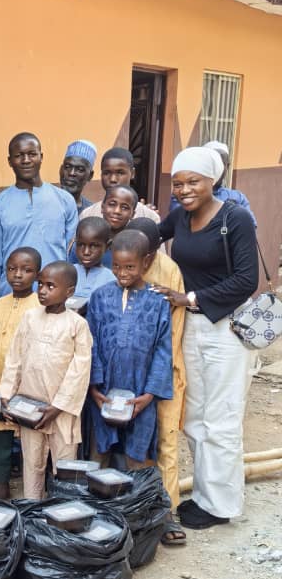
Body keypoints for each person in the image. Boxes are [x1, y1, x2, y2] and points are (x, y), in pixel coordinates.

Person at [156, 146, 258, 529]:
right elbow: (152, 235)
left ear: (212, 180)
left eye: (193, 181)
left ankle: (222, 504)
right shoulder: (180, 217)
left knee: (223, 418)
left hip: (226, 329)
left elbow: (246, 280)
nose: (184, 190)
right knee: (196, 416)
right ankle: (203, 495)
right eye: (178, 183)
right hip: (191, 327)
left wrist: (191, 297)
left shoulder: (236, 218)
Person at [0, 262, 92, 499]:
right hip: (30, 408)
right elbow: (15, 357)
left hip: (61, 411)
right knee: (32, 463)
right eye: (41, 284)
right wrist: (6, 396)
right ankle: (33, 511)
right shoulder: (30, 317)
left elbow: (80, 370)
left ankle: (63, 517)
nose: (42, 290)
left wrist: (58, 406)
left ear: (69, 291)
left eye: (50, 286)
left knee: (65, 467)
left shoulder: (77, 325)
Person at [86, 230, 173, 469]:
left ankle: (136, 504)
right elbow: (89, 344)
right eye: (116, 266)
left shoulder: (158, 302)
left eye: (130, 267)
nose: (122, 273)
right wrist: (93, 388)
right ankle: (99, 502)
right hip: (103, 388)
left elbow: (163, 351)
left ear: (146, 261)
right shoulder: (99, 297)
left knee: (138, 455)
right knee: (99, 450)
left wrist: (149, 395)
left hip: (141, 389)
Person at [127, 218, 187, 545]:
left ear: (152, 253)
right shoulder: (122, 264)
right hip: (127, 374)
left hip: (164, 373)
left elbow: (173, 336)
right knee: (134, 443)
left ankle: (167, 512)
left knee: (166, 442)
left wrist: (155, 381)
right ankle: (135, 508)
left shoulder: (169, 271)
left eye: (146, 255)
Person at [0, 133, 77, 297]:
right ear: (10, 161)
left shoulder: (65, 200)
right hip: (10, 295)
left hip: (55, 297)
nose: (26, 160)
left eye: (32, 154)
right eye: (19, 156)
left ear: (41, 157)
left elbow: (72, 254)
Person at [0, 248, 41, 499]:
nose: (18, 275)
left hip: (28, 385)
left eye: (26, 271)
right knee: (0, 436)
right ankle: (1, 486)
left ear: (37, 275)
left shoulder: (41, 306)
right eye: (12, 269)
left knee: (31, 440)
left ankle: (33, 490)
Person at [168, 141, 256, 225]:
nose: (217, 170)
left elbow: (249, 226)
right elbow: (180, 221)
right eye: (213, 165)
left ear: (227, 167)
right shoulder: (184, 193)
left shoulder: (237, 198)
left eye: (222, 164)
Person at [80, 148, 159, 222]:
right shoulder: (87, 215)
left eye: (120, 173)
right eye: (107, 173)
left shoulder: (148, 217)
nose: (113, 179)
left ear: (132, 173)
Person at [70, 217, 115, 300]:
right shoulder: (67, 274)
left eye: (94, 246)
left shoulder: (111, 279)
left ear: (107, 246)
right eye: (81, 244)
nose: (86, 252)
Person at [58, 139, 97, 211]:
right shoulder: (44, 202)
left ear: (90, 176)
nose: (71, 173)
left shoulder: (90, 211)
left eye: (80, 169)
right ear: (60, 169)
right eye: (67, 167)